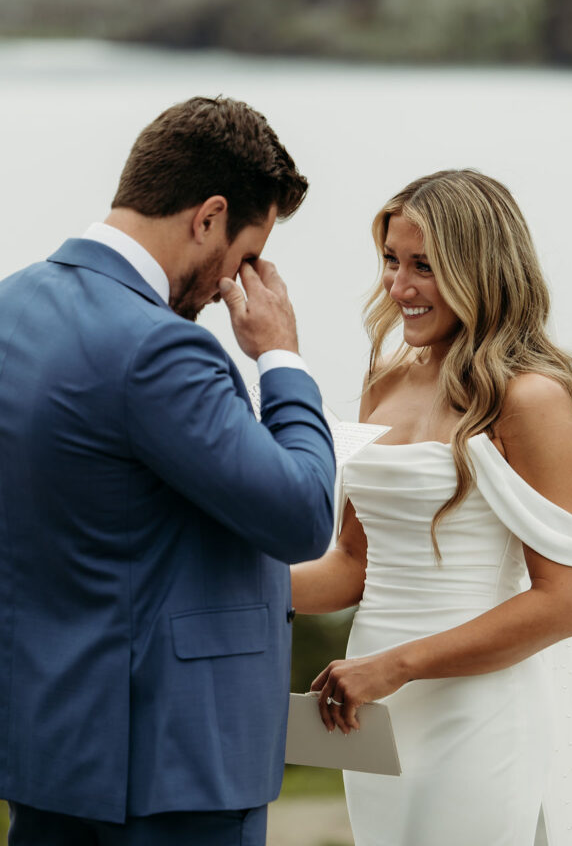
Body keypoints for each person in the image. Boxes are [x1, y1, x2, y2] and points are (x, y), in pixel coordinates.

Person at [292, 169, 572, 846]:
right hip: (363, 707)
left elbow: (564, 603)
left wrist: (397, 664)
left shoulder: (530, 399)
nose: (399, 287)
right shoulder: (381, 383)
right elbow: (353, 564)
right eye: (390, 261)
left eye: (424, 267)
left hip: (474, 710)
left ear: (480, 270)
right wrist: (234, 581)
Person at [0, 96, 336, 846]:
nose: (233, 286)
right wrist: (282, 358)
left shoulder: (12, 304)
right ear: (208, 216)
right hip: (169, 771)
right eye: (246, 255)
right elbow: (302, 513)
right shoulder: (159, 349)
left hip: (48, 753)